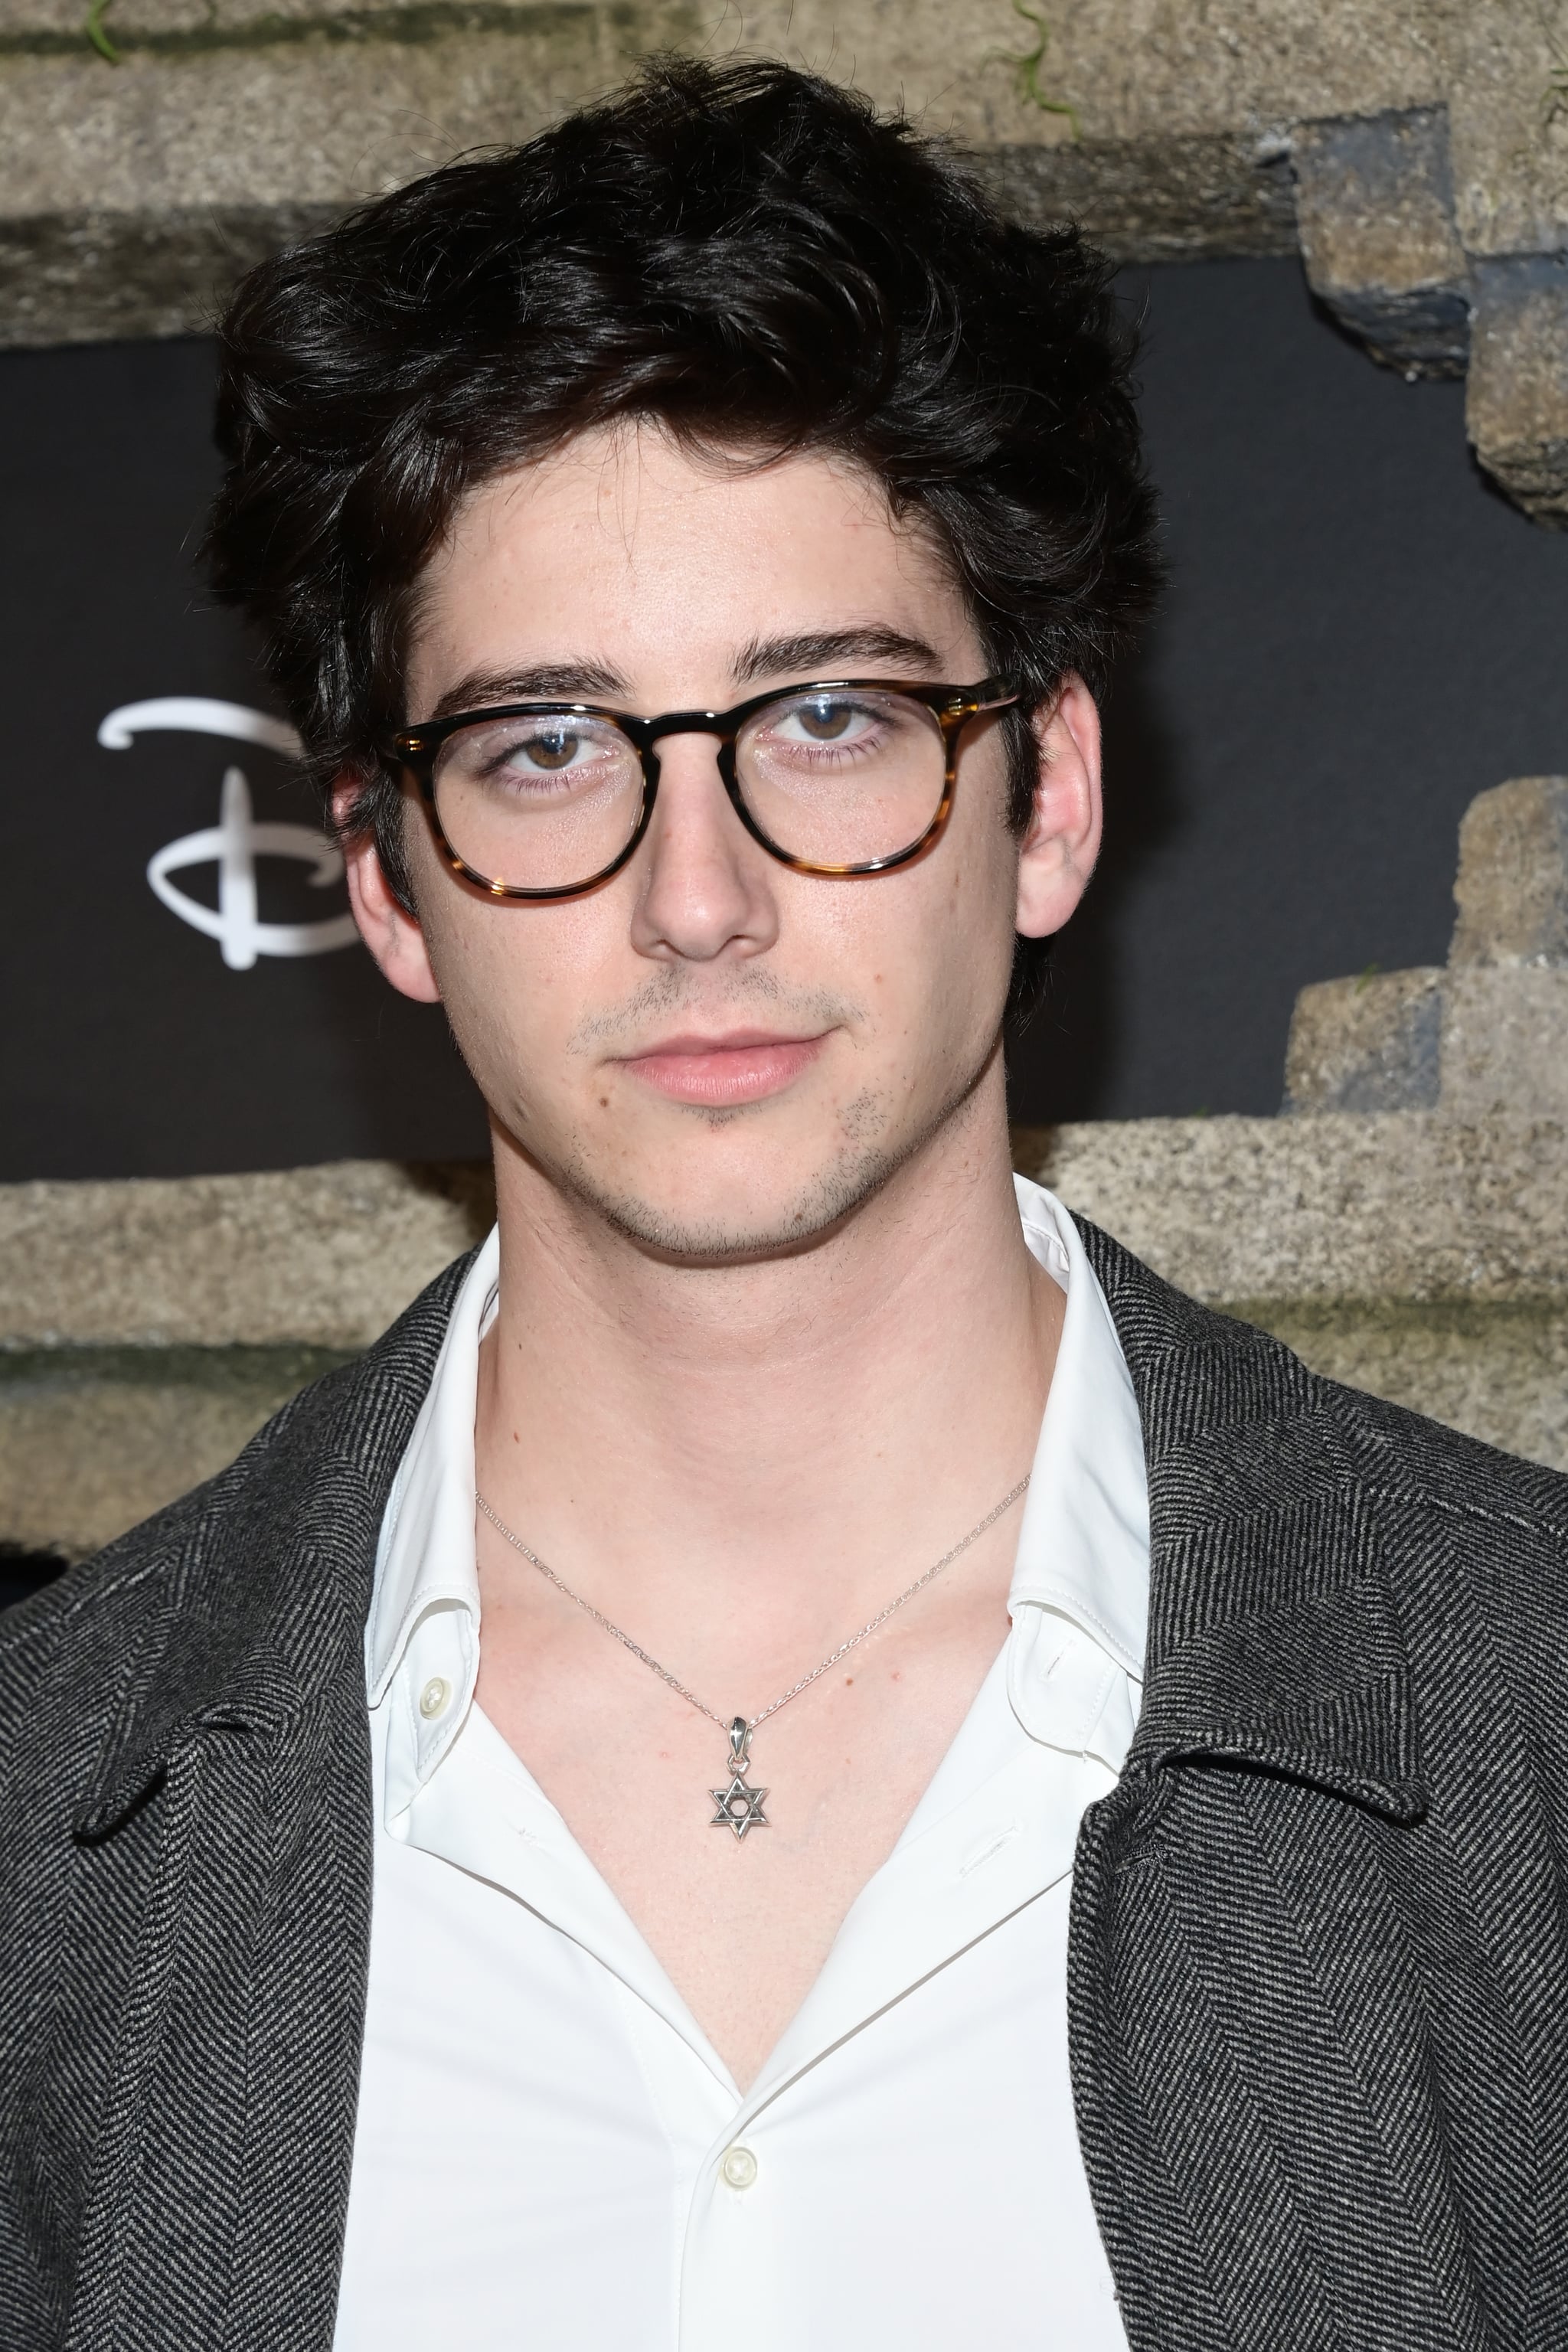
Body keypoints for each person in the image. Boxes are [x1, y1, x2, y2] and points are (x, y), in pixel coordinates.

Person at [3, 56, 1565, 2352]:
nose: (696, 896)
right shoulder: (46, 1836)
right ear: (391, 883)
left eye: (824, 716)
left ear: (1043, 796)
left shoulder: (1528, 1726)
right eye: (546, 750)